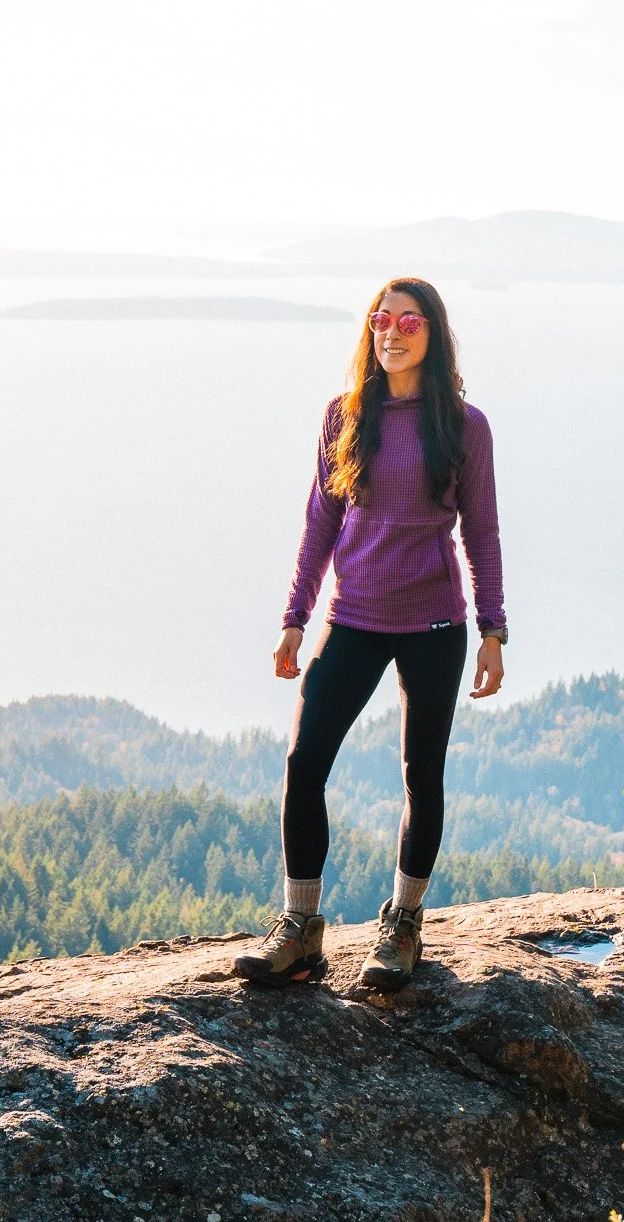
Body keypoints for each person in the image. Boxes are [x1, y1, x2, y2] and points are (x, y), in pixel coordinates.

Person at [233, 276, 507, 992]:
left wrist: (492, 628)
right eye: (380, 320)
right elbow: (320, 522)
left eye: (408, 322)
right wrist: (294, 618)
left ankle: (404, 925)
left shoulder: (464, 426)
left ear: (433, 334)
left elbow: (482, 531)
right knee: (304, 762)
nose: (391, 332)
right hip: (352, 613)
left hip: (435, 620)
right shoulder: (345, 414)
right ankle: (300, 929)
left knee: (422, 774)